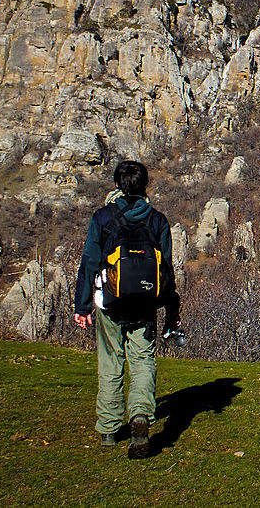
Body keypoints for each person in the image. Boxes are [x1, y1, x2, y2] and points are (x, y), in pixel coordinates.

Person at [74, 160, 180, 459]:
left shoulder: (103, 218)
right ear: (145, 186)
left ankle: (108, 428)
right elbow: (167, 270)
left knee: (111, 362)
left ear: (117, 185)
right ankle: (141, 416)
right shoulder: (158, 220)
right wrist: (171, 307)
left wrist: (82, 305)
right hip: (145, 304)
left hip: (109, 303)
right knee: (143, 359)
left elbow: (90, 263)